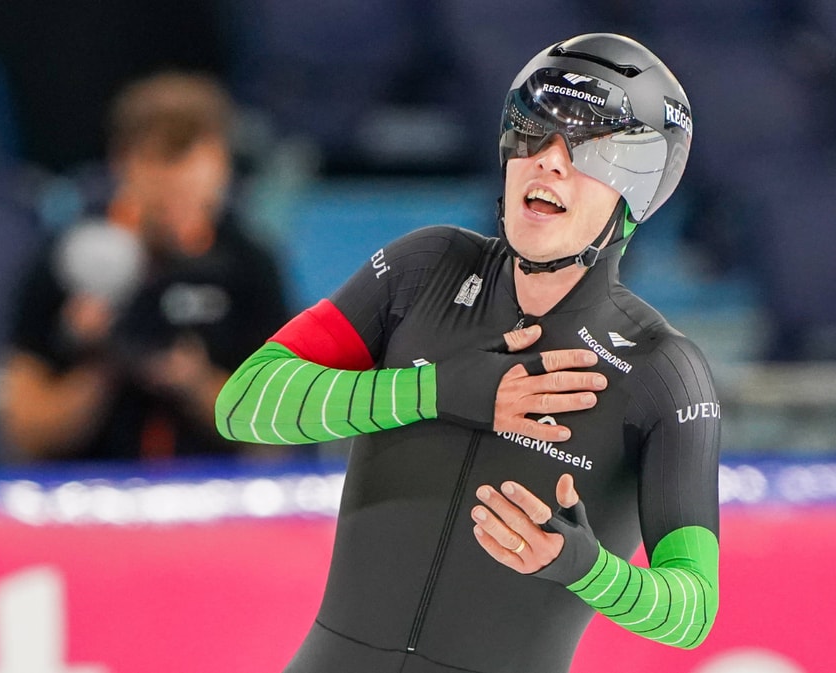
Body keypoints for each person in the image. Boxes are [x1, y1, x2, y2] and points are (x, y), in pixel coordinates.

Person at [216, 33, 720, 673]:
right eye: (533, 133)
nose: (549, 162)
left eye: (591, 149)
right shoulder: (424, 268)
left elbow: (692, 611)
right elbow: (244, 404)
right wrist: (439, 389)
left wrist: (587, 569)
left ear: (638, 196)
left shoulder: (661, 371)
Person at [2, 71, 291, 461]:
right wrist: (103, 361)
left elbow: (277, 431)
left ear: (222, 164)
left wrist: (193, 381)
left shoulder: (247, 264)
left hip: (211, 486)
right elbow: (25, 431)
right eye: (161, 160)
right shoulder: (68, 261)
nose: (176, 180)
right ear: (122, 162)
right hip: (92, 484)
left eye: (190, 159)